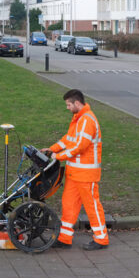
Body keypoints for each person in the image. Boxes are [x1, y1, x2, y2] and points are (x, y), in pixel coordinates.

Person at [43, 89, 109, 251]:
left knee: (92, 206)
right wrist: (52, 149)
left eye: (68, 104)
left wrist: (57, 156)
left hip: (86, 175)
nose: (67, 107)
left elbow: (80, 147)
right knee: (69, 205)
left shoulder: (87, 121)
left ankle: (101, 239)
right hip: (75, 173)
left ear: (77, 103)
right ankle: (65, 238)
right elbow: (68, 139)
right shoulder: (79, 118)